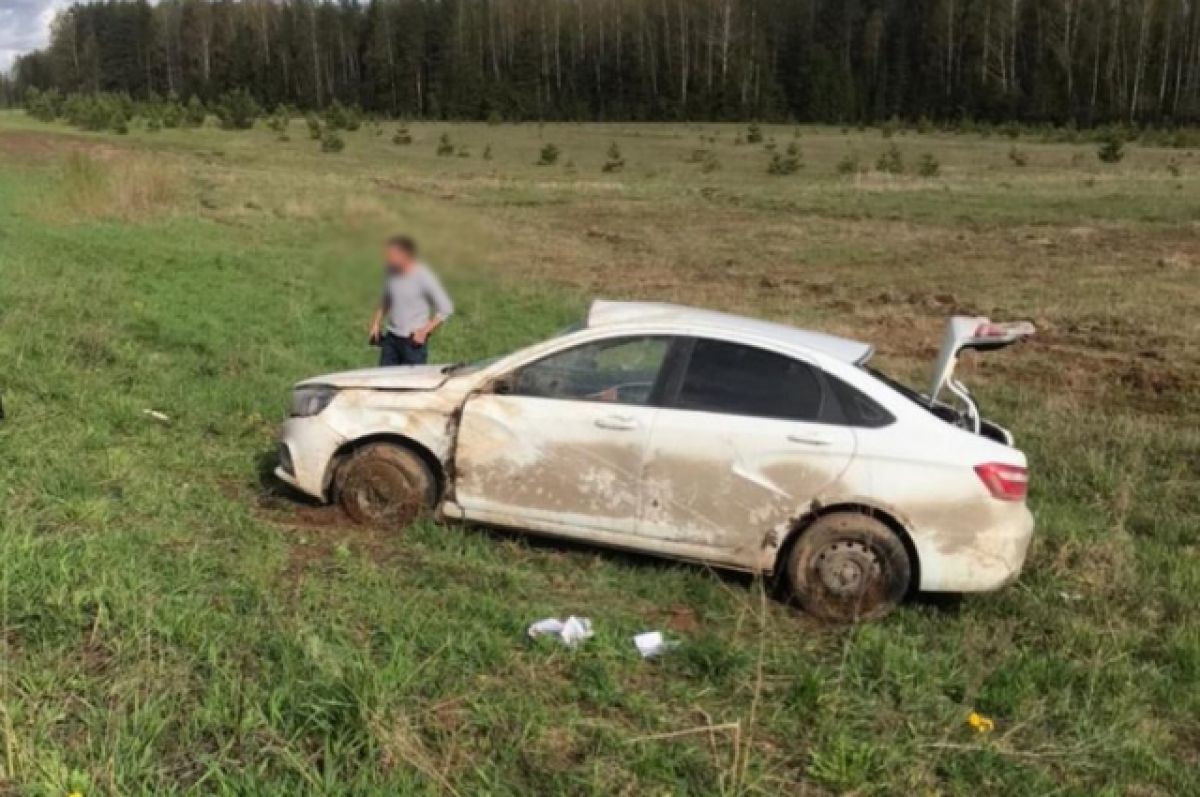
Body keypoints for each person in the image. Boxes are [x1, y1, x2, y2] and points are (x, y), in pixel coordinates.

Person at [368, 236, 454, 367]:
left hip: (412, 343)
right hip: (391, 339)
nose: (388, 258)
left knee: (410, 383)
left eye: (392, 255)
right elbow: (386, 297)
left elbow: (446, 308)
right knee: (384, 381)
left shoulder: (423, 276)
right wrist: (376, 322)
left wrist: (424, 331)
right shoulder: (391, 271)